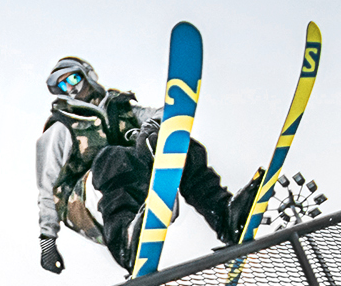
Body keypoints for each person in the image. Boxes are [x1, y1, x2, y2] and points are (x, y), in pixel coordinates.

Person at [36, 55, 259, 274]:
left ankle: (225, 217)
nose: (70, 88)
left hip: (135, 190)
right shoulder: (60, 127)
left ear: (87, 75)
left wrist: (167, 117)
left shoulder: (122, 108)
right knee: (112, 157)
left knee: (175, 142)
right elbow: (47, 185)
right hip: (87, 206)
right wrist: (48, 240)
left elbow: (162, 116)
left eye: (73, 79)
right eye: (63, 85)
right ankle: (125, 240)